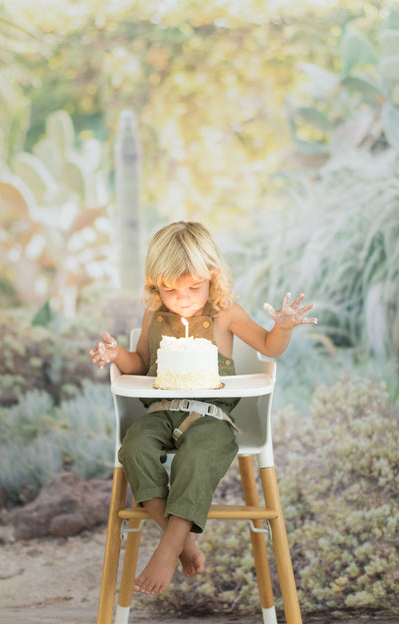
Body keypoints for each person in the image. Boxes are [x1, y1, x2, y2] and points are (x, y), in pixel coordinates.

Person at [89, 221, 317, 597]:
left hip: (213, 418)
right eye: (169, 289)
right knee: (133, 448)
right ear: (154, 283)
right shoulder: (153, 317)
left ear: (213, 277)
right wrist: (117, 355)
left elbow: (268, 346)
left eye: (194, 287)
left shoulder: (226, 314)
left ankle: (167, 547)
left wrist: (284, 327)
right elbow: (141, 365)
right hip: (161, 411)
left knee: (195, 456)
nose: (181, 298)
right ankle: (184, 543)